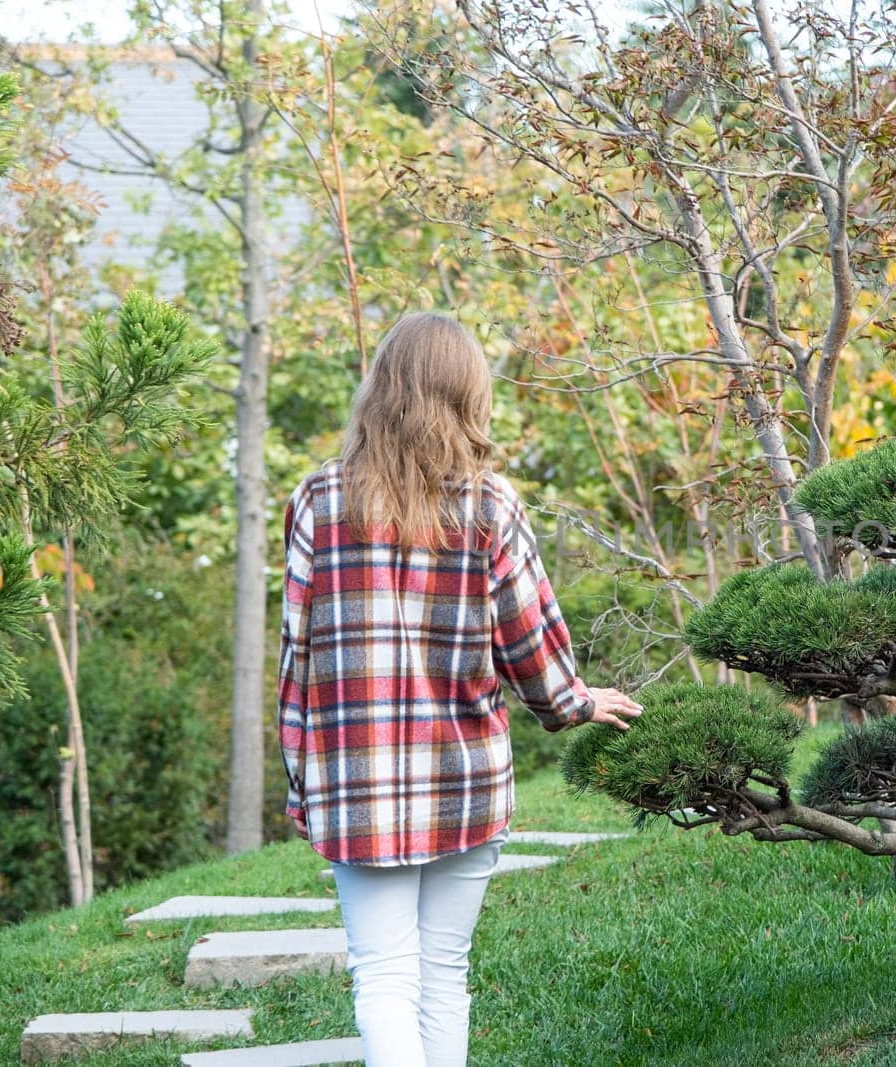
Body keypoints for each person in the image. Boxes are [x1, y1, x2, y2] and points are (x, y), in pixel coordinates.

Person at [276, 311, 642, 1067]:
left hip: (357, 779)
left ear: (380, 389)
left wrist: (304, 781)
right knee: (443, 973)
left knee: (381, 975)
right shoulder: (491, 505)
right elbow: (527, 643)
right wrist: (575, 701)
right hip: (464, 775)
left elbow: (297, 660)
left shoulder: (318, 503)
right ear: (468, 393)